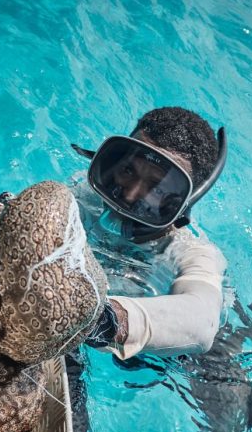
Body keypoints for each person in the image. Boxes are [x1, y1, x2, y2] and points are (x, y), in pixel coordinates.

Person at [69, 106, 228, 359]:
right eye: (128, 171)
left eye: (156, 189)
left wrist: (104, 320)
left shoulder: (192, 252)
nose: (130, 195)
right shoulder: (87, 195)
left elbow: (203, 322)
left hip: (202, 356)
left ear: (183, 204)